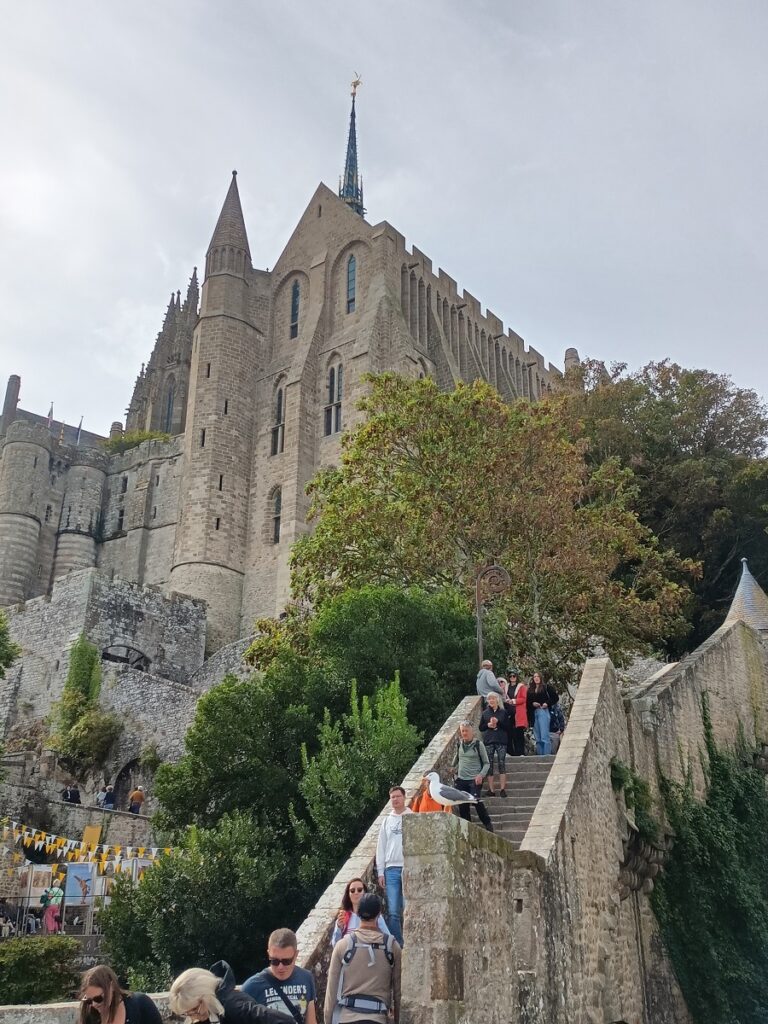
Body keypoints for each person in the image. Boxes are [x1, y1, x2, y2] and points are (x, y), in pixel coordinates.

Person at [324, 893, 401, 1024]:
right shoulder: (392, 947)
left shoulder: (343, 945)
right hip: (377, 1018)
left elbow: (331, 993)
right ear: (379, 914)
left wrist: (327, 1020)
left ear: (357, 913)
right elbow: (399, 993)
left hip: (347, 1018)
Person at [241, 928, 317, 1023]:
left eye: (286, 961)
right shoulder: (251, 987)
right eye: (275, 961)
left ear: (296, 955)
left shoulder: (306, 978)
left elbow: (311, 1021)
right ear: (268, 954)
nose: (280, 967)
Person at [170, 964, 285, 1024]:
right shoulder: (213, 1012)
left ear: (205, 996)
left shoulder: (235, 1006)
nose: (194, 1016)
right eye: (188, 1013)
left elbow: (283, 1021)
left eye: (195, 1009)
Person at [375, 786, 413, 948]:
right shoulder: (386, 821)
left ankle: (411, 942)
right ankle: (399, 945)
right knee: (392, 911)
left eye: (398, 796)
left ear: (404, 797)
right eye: (392, 797)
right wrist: (380, 871)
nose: (395, 799)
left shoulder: (412, 817)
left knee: (408, 908)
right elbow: (381, 847)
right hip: (391, 869)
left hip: (408, 867)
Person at [78, 964, 162, 1024]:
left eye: (98, 999)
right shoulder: (88, 1014)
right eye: (89, 1000)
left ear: (112, 986)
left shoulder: (141, 1004)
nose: (94, 1004)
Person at [451, 721, 494, 831]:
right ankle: (468, 829)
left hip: (474, 779)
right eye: (462, 731)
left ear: (472, 732)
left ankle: (488, 825)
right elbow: (457, 758)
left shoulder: (478, 745)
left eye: (466, 731)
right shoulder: (459, 744)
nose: (464, 733)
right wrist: (452, 767)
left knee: (476, 801)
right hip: (461, 780)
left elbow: (486, 763)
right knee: (462, 805)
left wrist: (481, 775)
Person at [331, 878, 390, 946]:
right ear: (348, 895)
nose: (356, 892)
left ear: (365, 893)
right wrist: (339, 928)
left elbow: (388, 939)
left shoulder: (375, 915)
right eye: (352, 891)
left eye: (359, 890)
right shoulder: (343, 918)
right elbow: (335, 945)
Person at [480, 692, 508, 796]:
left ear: (497, 700)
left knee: (501, 763)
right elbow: (481, 727)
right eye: (489, 699)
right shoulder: (485, 713)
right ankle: (491, 790)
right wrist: (488, 725)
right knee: (489, 765)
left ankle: (502, 789)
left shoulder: (503, 712)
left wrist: (498, 723)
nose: (491, 700)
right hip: (489, 740)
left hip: (501, 740)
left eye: (493, 698)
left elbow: (508, 727)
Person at [527, 672, 559, 756]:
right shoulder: (531, 689)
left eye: (538, 676)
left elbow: (555, 697)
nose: (536, 678)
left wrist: (547, 703)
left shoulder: (546, 687)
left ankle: (546, 755)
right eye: (534, 677)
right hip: (534, 712)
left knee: (544, 735)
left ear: (541, 678)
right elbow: (527, 702)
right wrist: (532, 704)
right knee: (538, 737)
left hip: (543, 711)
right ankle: (539, 755)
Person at [506, 670, 529, 757]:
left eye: (514, 676)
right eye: (511, 676)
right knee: (509, 734)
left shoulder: (521, 687)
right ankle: (511, 753)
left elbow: (523, 699)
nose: (512, 678)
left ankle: (520, 752)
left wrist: (513, 701)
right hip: (509, 713)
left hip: (518, 713)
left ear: (517, 677)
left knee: (518, 733)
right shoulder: (506, 687)